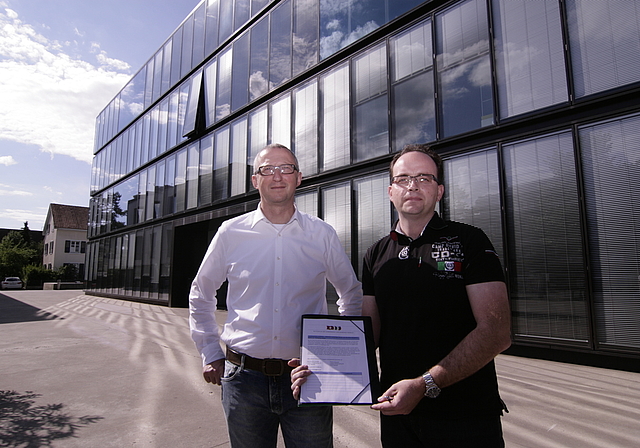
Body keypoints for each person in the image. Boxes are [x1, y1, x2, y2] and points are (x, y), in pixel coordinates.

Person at [292, 144, 511, 447]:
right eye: (404, 178)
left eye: (424, 178)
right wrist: (320, 366)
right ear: (390, 191)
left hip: (466, 416)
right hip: (397, 415)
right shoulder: (376, 254)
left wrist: (425, 384)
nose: (413, 185)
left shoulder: (469, 240)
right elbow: (369, 333)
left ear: (440, 191)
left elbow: (496, 332)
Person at [189, 143, 363, 448]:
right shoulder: (230, 233)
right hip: (243, 381)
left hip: (308, 379)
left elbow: (350, 292)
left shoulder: (321, 234)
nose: (277, 176)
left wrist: (340, 355)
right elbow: (201, 292)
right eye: (267, 169)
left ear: (299, 178)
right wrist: (210, 351)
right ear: (255, 180)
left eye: (286, 168)